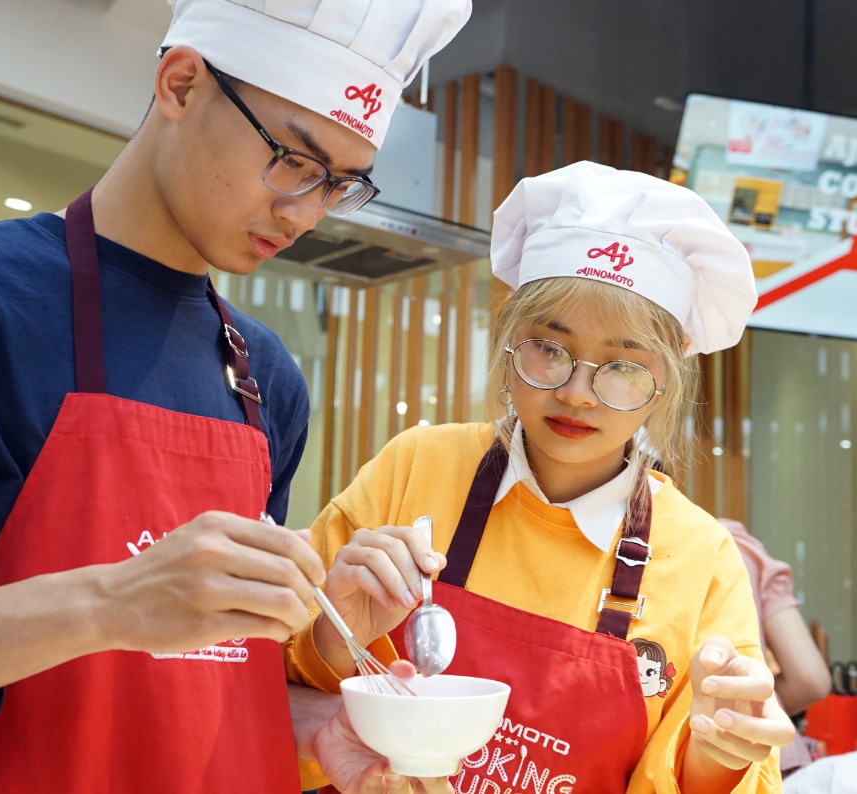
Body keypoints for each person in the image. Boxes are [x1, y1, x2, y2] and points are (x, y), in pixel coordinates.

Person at [0, 1, 470, 791]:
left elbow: (203, 676)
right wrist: (109, 600)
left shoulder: (265, 377)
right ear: (180, 84)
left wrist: (321, 724)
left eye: (340, 185)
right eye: (293, 160)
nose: (305, 212)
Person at [287, 161, 795, 793]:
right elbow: (273, 699)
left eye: (624, 367)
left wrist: (722, 748)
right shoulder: (417, 465)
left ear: (666, 388)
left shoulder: (701, 555)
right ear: (507, 340)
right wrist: (337, 643)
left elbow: (718, 774)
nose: (578, 393)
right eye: (549, 349)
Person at [719, 518, 832, 774]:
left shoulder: (628, 550)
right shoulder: (732, 541)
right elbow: (811, 680)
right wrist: (755, 706)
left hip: (687, 769)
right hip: (776, 761)